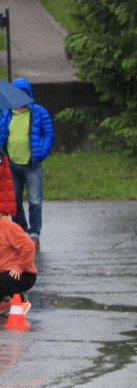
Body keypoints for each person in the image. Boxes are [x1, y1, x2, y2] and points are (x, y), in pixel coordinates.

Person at [0, 79, 54, 247]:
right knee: (15, 202)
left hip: (32, 166)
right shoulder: (6, 113)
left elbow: (48, 134)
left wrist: (41, 153)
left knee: (35, 201)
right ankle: (21, 233)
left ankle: (34, 234)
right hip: (12, 165)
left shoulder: (39, 112)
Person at [0, 210, 38, 303]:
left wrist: (18, 267)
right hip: (3, 273)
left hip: (24, 273)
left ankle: (20, 301)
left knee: (3, 281)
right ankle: (4, 300)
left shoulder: (8, 226)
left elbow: (29, 246)